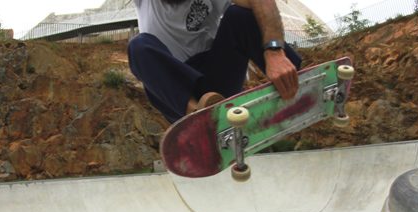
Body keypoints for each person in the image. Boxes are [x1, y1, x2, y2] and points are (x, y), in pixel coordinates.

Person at [128, 0, 302, 123]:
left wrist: (274, 52)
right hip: (177, 93)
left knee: (239, 15)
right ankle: (198, 117)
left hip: (217, 79)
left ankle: (296, 78)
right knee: (138, 45)